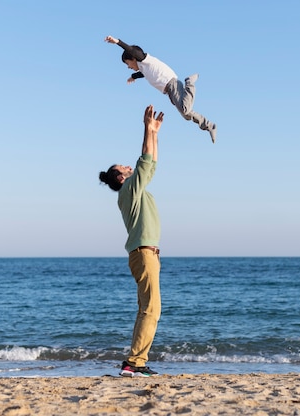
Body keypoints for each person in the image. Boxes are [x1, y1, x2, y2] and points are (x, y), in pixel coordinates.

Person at [98, 104, 165, 377]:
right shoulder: (128, 189)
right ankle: (134, 363)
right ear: (120, 176)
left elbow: (150, 165)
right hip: (144, 253)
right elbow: (144, 160)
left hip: (145, 254)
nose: (128, 166)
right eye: (123, 167)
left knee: (147, 310)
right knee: (151, 310)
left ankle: (134, 362)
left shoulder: (132, 189)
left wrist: (154, 133)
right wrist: (145, 130)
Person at [105, 35, 217, 143]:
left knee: (184, 109)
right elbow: (143, 74)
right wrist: (133, 77)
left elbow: (132, 51)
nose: (128, 67)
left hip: (172, 84)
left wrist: (118, 42)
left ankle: (190, 82)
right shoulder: (144, 68)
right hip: (169, 90)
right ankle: (209, 125)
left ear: (134, 58)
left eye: (128, 63)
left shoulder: (144, 59)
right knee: (186, 115)